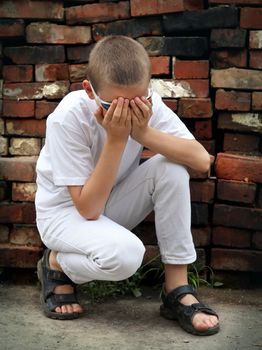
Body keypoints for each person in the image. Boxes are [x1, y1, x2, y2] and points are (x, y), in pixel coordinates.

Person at [35, 35, 219, 336]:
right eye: (113, 105)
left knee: (171, 167)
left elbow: (201, 161)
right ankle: (56, 262)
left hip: (109, 202)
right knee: (126, 256)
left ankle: (176, 289)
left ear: (148, 90)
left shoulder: (149, 104)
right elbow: (88, 209)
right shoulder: (68, 117)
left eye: (137, 102)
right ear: (89, 92)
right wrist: (118, 139)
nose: (126, 111)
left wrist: (143, 133)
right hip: (65, 214)